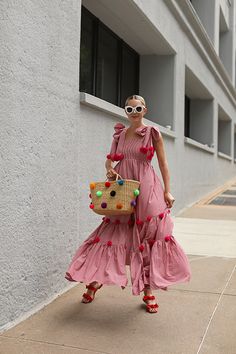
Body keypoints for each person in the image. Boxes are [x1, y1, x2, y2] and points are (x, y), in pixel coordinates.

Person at [65, 94, 191, 313]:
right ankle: (97, 279)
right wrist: (109, 169)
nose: (133, 113)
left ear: (145, 110)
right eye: (129, 109)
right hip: (123, 188)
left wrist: (167, 191)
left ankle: (148, 290)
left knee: (148, 235)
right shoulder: (120, 134)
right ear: (125, 111)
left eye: (137, 108)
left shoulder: (152, 133)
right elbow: (110, 159)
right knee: (111, 235)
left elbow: (163, 163)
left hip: (147, 187)